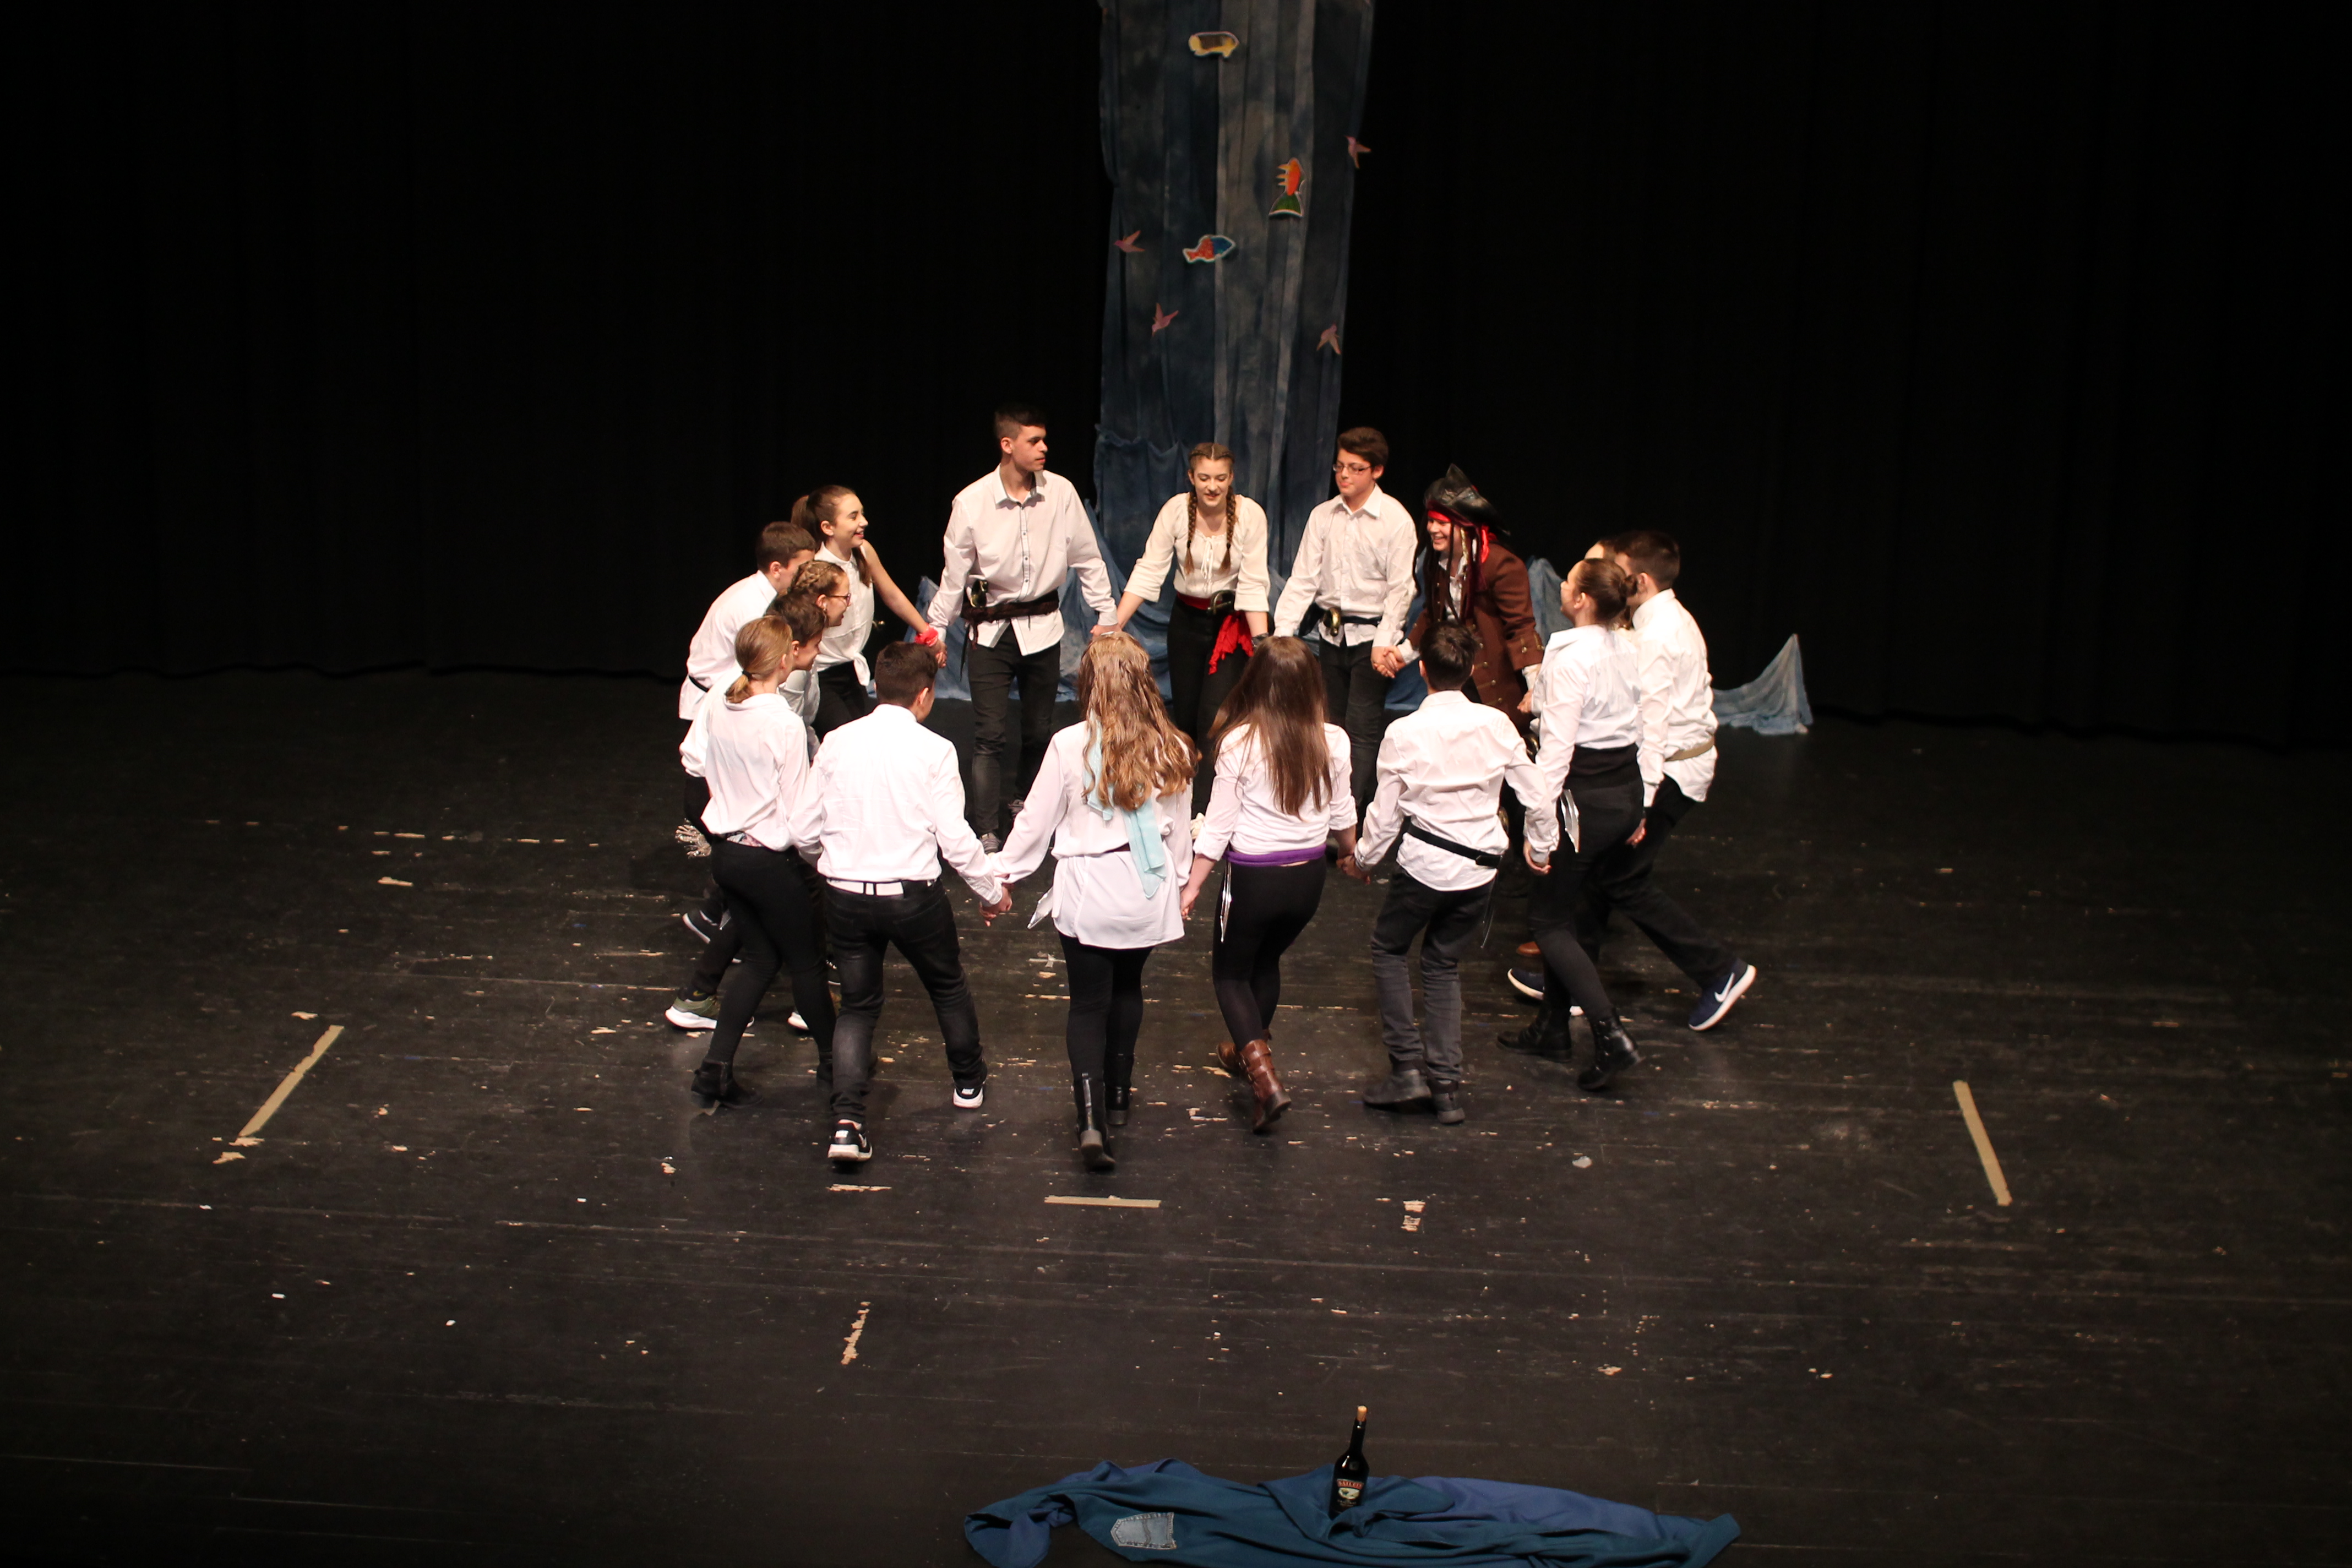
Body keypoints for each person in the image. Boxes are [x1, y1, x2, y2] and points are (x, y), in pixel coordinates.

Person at [792, 642, 1012, 1166]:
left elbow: (802, 830)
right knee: (947, 986)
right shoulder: (935, 750)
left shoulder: (837, 742)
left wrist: (834, 862)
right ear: (925, 695)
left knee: (858, 1006)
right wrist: (992, 892)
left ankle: (847, 1124)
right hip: (912, 899)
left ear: (877, 687)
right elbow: (955, 838)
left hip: (844, 895)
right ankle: (968, 1083)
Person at [992, 635, 1196, 1171]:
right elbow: (1179, 834)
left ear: (1089, 684)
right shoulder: (1173, 745)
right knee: (1128, 988)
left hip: (1091, 889)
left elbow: (1034, 823)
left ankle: (1091, 1118)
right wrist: (1179, 886)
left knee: (1088, 1003)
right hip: (1147, 888)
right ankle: (1120, 1096)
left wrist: (1003, 877)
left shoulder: (1070, 744)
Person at [1353, 626, 1545, 1125]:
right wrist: (1541, 846)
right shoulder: (1497, 725)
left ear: (1422, 672)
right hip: (1480, 870)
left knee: (1389, 948)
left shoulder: (1404, 733)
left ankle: (1406, 1069)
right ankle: (1446, 1087)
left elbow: (1385, 814)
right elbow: (1537, 793)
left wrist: (1364, 860)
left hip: (1426, 867)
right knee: (1441, 963)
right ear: (1469, 671)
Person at [1566, 531, 1756, 1028]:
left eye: (1623, 575)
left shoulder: (1658, 636)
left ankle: (1720, 970)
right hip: (1677, 762)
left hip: (1672, 770)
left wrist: (1642, 806)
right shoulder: (1667, 618)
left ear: (1643, 581)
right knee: (1602, 870)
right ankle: (1576, 979)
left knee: (1621, 878)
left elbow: (1653, 726)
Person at [1179, 638, 1364, 1132]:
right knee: (1266, 962)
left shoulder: (1239, 743)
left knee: (1230, 976)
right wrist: (1353, 856)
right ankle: (1247, 1051)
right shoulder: (1335, 740)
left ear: (1257, 682)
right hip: (1308, 879)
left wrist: (1192, 886)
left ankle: (1265, 1079)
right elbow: (1343, 814)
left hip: (1253, 881)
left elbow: (1218, 827)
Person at [927, 404, 1119, 849]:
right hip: (991, 633)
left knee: (1037, 731)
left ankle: (1024, 803)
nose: (1044, 448)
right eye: (1034, 441)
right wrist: (936, 629)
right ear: (1008, 445)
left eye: (1045, 439)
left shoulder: (1061, 493)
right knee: (989, 735)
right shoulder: (972, 502)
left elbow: (1088, 558)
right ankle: (986, 827)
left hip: (1043, 629)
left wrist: (1106, 616)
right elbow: (954, 577)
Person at [683, 613, 835, 1110]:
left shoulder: (721, 704)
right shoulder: (783, 724)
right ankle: (836, 1061)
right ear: (785, 659)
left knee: (761, 959)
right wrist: (818, 860)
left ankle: (715, 1068)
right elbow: (799, 812)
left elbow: (701, 765)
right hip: (769, 861)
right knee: (807, 964)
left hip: (728, 855)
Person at [1507, 558, 1648, 1092]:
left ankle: (1611, 1035)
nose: (1562, 587)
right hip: (1623, 794)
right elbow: (1641, 727)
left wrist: (1539, 835)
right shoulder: (1627, 648)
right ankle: (1552, 1028)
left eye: (1568, 581)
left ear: (1583, 599)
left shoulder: (1571, 658)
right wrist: (1641, 806)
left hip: (1584, 802)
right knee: (1576, 913)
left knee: (1547, 922)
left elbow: (1555, 758)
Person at [1109, 442, 1271, 810]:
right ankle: (1182, 803)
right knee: (1184, 717)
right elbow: (1150, 569)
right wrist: (1115, 624)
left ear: (1231, 478)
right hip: (1186, 623)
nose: (1212, 486)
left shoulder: (1250, 515)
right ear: (1191, 477)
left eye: (1220, 478)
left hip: (1229, 626)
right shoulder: (1176, 511)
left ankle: (1208, 810)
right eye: (1204, 478)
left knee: (1214, 719)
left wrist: (1262, 642)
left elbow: (1253, 583)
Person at [677, 520, 815, 940]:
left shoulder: (770, 605)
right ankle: (725, 919)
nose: (806, 578)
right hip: (723, 705)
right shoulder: (755, 611)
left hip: (736, 706)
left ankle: (727, 922)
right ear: (777, 568)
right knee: (750, 839)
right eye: (802, 569)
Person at [1271, 427, 1415, 813]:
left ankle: (1350, 812)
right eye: (1339, 467)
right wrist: (1283, 634)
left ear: (1377, 471)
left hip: (1372, 639)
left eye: (1355, 468)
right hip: (1331, 634)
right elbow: (1303, 579)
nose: (1344, 475)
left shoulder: (1395, 520)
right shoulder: (1324, 516)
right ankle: (1324, 804)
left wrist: (1385, 642)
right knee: (1330, 724)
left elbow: (1401, 589)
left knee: (1363, 728)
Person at [1395, 466, 1543, 733]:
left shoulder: (1500, 564)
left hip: (1493, 678)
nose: (1432, 529)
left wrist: (1536, 688)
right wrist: (1403, 653)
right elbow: (1433, 612)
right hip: (1454, 677)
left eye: (1442, 523)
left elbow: (1521, 627)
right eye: (1431, 521)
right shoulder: (1438, 562)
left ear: (1465, 526)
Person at [800, 485, 943, 737]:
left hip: (852, 669)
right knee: (844, 741)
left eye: (862, 514)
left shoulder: (864, 552)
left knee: (865, 738)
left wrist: (928, 634)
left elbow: (892, 594)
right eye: (853, 516)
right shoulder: (817, 568)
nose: (863, 522)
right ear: (828, 527)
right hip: (822, 676)